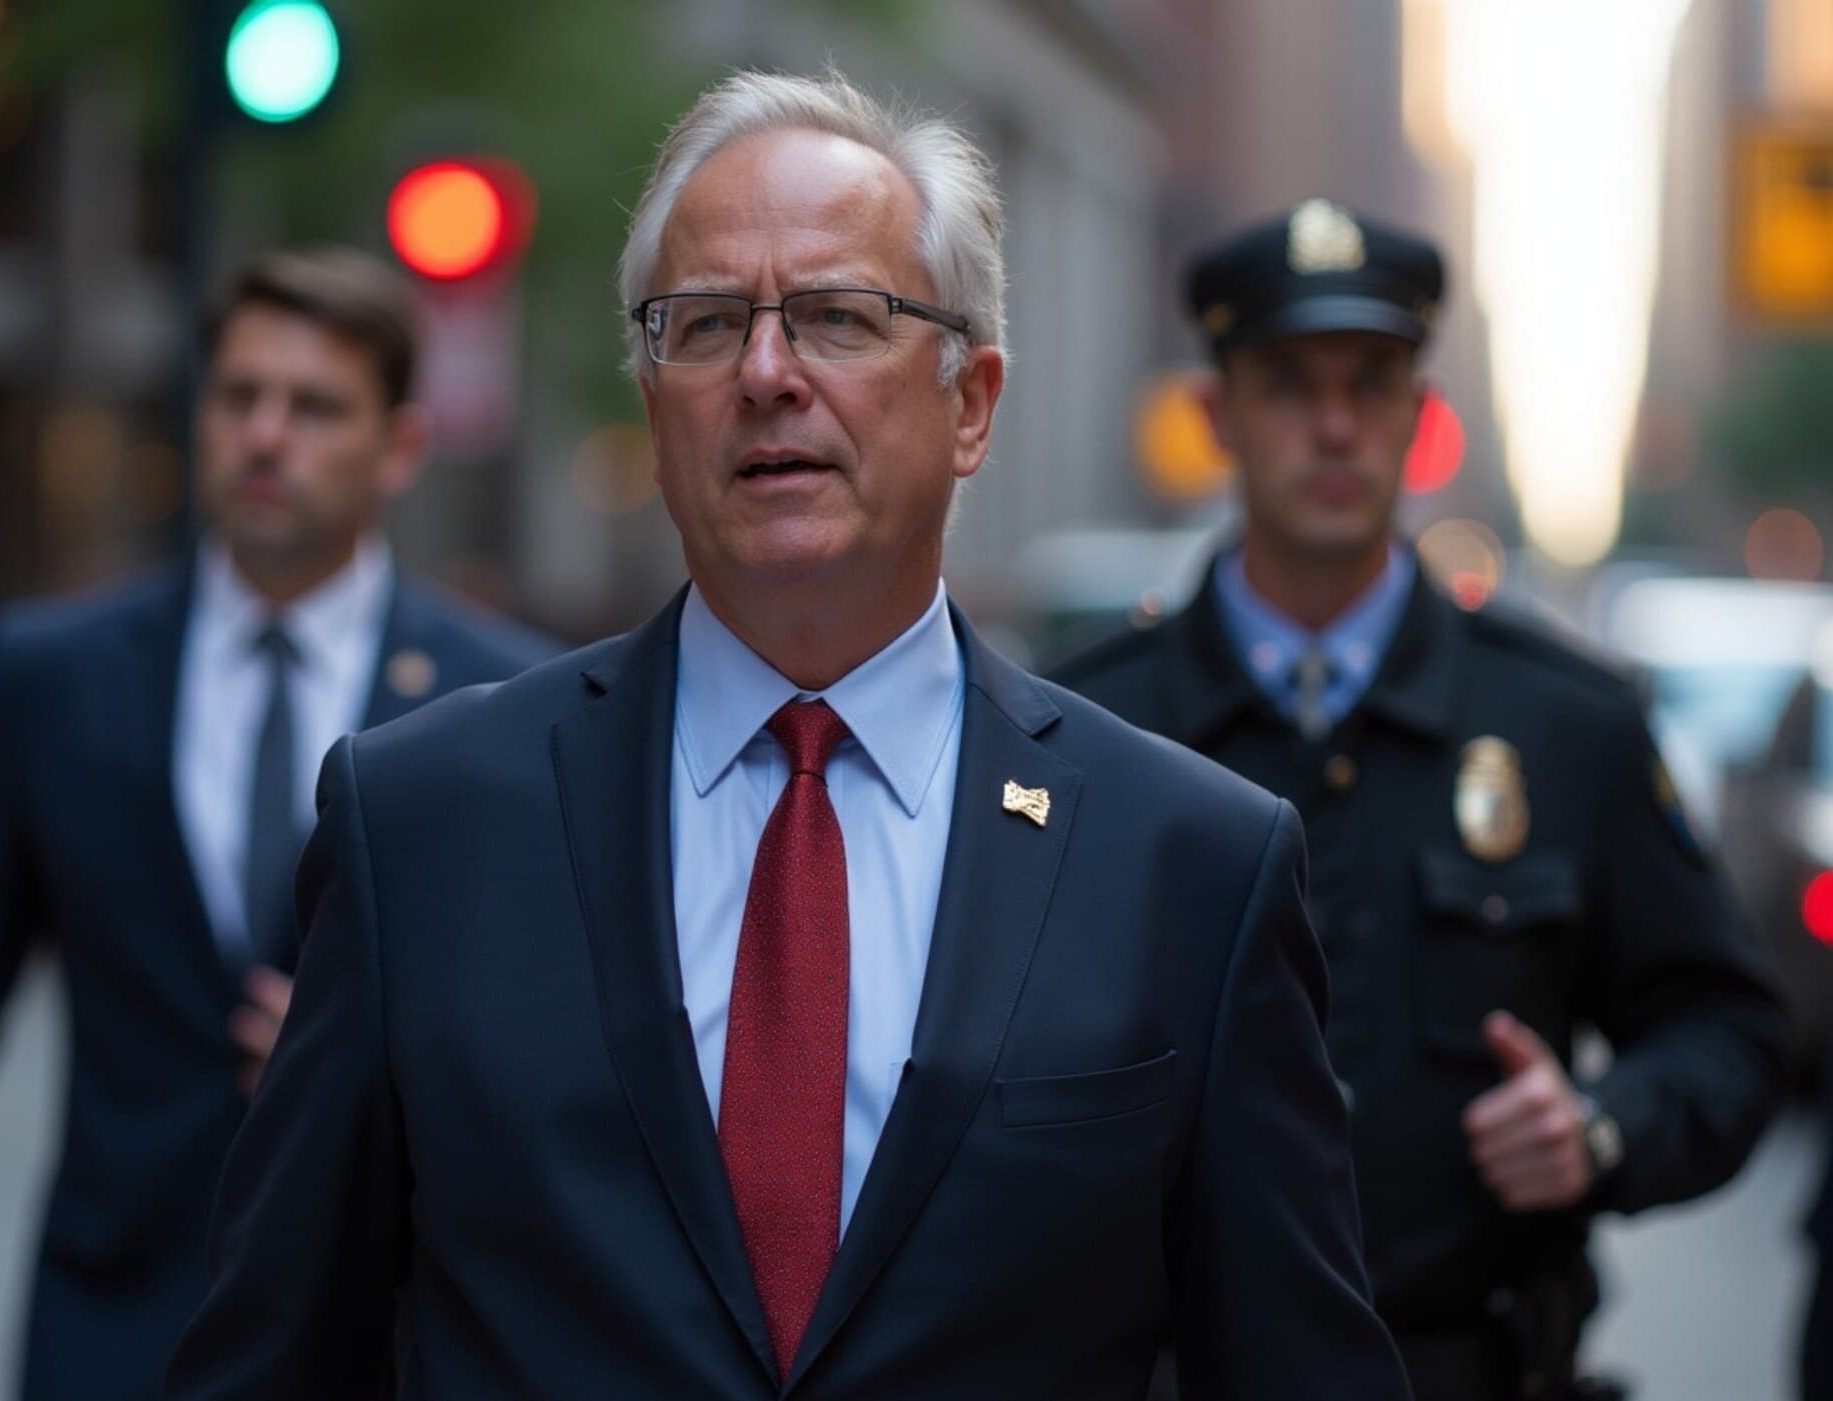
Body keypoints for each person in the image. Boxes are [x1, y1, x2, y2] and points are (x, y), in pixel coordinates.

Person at [162, 73, 1408, 1400]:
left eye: (836, 317)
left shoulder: (1189, 866)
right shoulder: (421, 821)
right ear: (654, 402)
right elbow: (275, 1354)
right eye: (703, 327)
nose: (766, 374)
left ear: (971, 402)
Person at [1048, 200, 1786, 1401]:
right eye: (1287, 383)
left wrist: (1599, 1129)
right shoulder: (1083, 730)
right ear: (1213, 416)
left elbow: (1730, 1036)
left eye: (1372, 381)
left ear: (1419, 418)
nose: (1333, 426)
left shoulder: (1566, 724)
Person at [0, 247, 553, 1401]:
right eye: (239, 396)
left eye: (314, 407)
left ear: (398, 446)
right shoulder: (58, 674)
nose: (265, 435)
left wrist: (375, 1039)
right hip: (113, 1321)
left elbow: (553, 1041)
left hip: (388, 1335)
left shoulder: (498, 701)